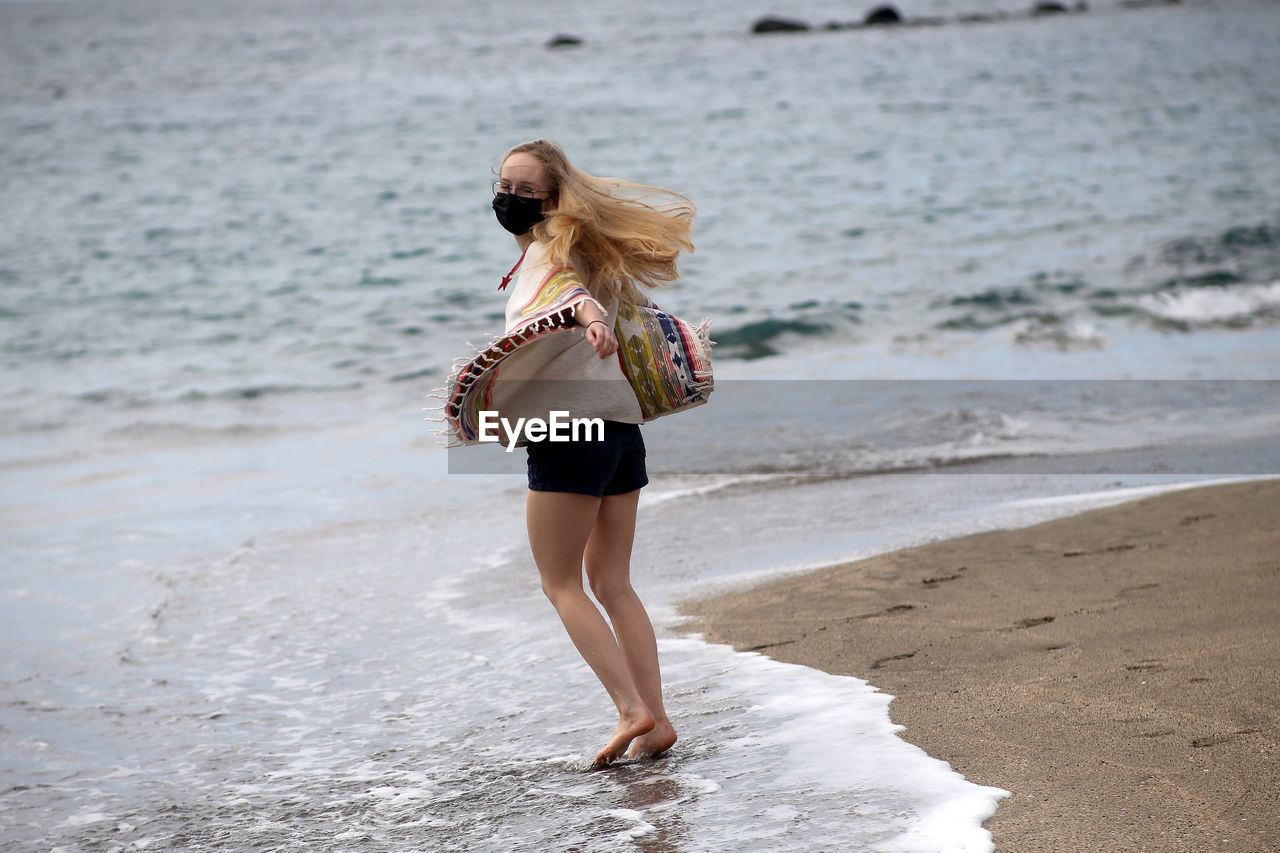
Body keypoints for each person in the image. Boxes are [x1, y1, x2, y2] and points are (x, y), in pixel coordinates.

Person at [487, 139, 695, 767]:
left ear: (555, 200)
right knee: (613, 582)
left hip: (569, 430)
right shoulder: (586, 250)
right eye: (504, 186)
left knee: (560, 582)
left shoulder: (553, 256)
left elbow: (570, 296)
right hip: (619, 430)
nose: (510, 199)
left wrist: (589, 317)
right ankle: (656, 721)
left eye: (527, 191)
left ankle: (631, 709)